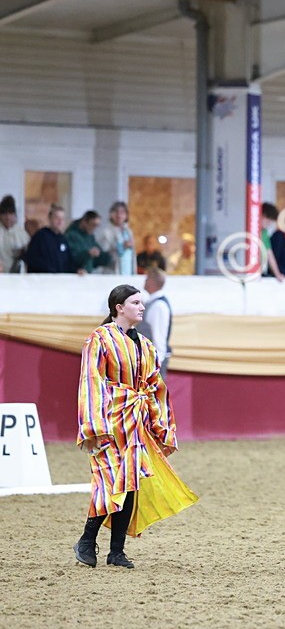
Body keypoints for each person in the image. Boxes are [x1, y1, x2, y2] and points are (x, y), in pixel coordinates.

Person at [74, 284, 197, 570]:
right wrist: (94, 423)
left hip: (135, 422)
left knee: (131, 483)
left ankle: (116, 551)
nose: (142, 307)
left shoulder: (145, 344)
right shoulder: (99, 339)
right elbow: (91, 381)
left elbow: (155, 385)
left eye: (141, 302)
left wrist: (159, 423)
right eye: (136, 302)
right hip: (110, 422)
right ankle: (87, 539)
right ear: (119, 307)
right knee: (110, 481)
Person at [142, 269, 173, 378]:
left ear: (152, 282)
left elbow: (159, 338)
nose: (144, 281)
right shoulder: (151, 303)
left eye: (147, 278)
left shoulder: (158, 306)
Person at [25, 205, 73, 273]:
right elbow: (32, 259)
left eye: (62, 219)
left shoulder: (64, 240)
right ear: (50, 219)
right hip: (43, 280)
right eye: (57, 218)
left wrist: (77, 270)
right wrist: (50, 270)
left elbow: (70, 262)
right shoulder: (40, 236)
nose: (60, 221)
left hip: (61, 281)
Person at [95, 201, 135, 275]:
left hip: (127, 270)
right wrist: (120, 247)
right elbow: (103, 251)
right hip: (112, 270)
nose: (119, 215)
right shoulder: (106, 232)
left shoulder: (128, 232)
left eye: (122, 213)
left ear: (126, 216)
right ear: (111, 214)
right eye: (116, 212)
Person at [0, 194, 28, 272]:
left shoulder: (21, 233)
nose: (8, 217)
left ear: (14, 215)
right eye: (4, 214)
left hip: (15, 276)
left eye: (10, 213)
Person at [259, 202, 285, 280]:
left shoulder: (264, 233)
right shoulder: (251, 229)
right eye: (268, 219)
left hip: (259, 271)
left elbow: (270, 254)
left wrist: (277, 274)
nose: (269, 223)